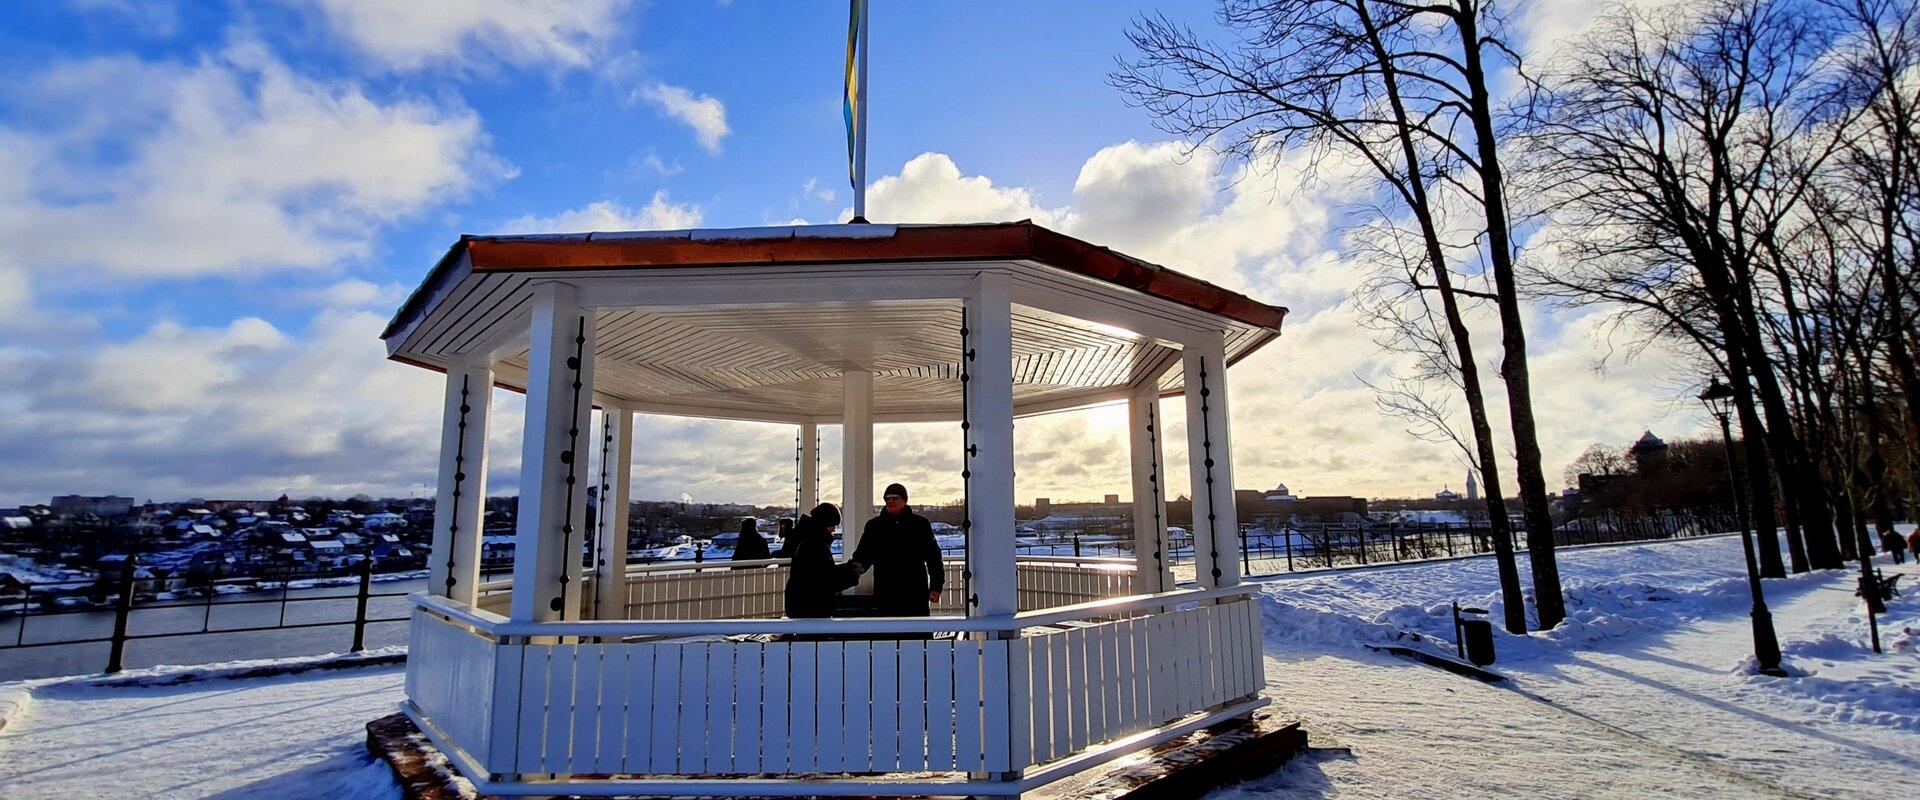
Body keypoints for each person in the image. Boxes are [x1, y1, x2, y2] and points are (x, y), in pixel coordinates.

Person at [850, 483, 945, 617]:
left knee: (917, 633)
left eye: (895, 498)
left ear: (904, 500)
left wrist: (936, 586)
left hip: (915, 591)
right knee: (888, 633)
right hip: (886, 591)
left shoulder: (920, 525)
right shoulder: (874, 526)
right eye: (887, 498)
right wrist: (852, 571)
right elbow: (863, 555)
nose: (891, 501)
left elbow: (933, 557)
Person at [783, 503, 856, 618]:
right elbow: (825, 580)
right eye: (835, 526)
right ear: (828, 524)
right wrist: (851, 572)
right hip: (812, 606)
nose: (833, 530)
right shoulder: (816, 544)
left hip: (800, 604)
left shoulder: (806, 539)